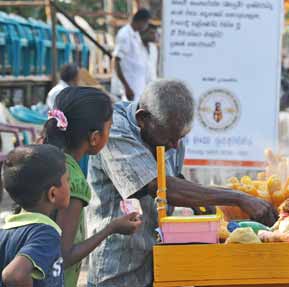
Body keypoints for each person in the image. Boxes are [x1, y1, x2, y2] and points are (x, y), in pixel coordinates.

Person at [86, 79, 278, 287]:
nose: (175, 145)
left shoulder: (169, 130)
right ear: (142, 119)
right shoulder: (115, 129)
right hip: (117, 266)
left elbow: (177, 180)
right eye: (170, 139)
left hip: (156, 259)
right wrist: (238, 198)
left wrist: (211, 212)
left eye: (181, 138)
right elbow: (159, 186)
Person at [42, 87, 142, 287]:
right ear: (94, 137)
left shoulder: (45, 159)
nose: (110, 133)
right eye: (110, 128)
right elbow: (64, 255)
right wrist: (112, 228)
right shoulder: (73, 181)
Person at [0, 144, 70, 286]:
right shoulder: (46, 233)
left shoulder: (5, 231)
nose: (71, 186)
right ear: (53, 194)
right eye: (67, 180)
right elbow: (14, 275)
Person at [111, 8, 151, 101]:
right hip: (129, 87)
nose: (146, 26)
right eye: (146, 23)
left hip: (137, 86)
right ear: (141, 21)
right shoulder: (124, 34)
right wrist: (126, 87)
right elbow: (116, 61)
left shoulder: (136, 34)